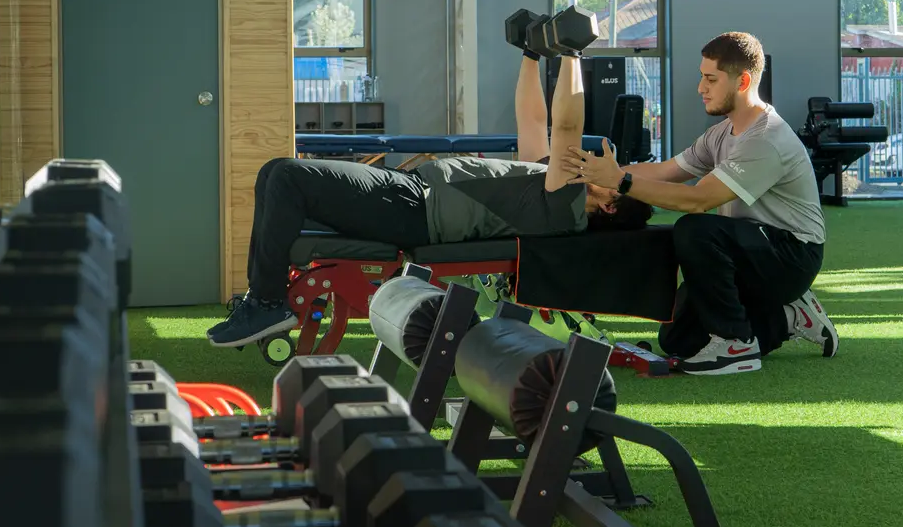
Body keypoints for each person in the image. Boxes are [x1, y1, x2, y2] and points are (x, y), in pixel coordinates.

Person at [207, 39, 653, 348]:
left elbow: (569, 125)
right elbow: (534, 123)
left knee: (286, 175)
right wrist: (531, 55)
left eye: (618, 176)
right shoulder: (554, 182)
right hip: (413, 195)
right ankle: (259, 299)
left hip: (415, 209)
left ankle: (267, 302)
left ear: (609, 202)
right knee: (274, 173)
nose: (615, 170)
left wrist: (573, 53)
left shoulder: (566, 201)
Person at [562, 31, 834, 376]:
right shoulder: (721, 133)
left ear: (743, 80)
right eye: (701, 77)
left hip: (791, 256)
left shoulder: (766, 139)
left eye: (710, 79)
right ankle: (789, 316)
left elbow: (698, 200)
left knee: (696, 229)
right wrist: (595, 172)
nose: (700, 88)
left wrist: (619, 181)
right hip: (747, 250)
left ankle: (736, 344)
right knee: (678, 340)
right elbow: (667, 171)